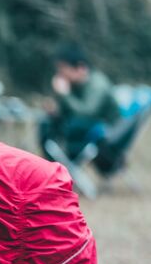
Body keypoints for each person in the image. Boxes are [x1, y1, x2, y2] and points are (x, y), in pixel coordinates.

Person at [40, 43, 130, 176]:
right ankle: (53, 171)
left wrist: (64, 94)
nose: (60, 75)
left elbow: (86, 112)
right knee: (46, 124)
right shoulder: (75, 85)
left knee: (70, 125)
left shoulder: (97, 84)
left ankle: (61, 171)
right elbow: (70, 111)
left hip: (105, 139)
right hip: (87, 132)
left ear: (80, 68)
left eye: (63, 70)